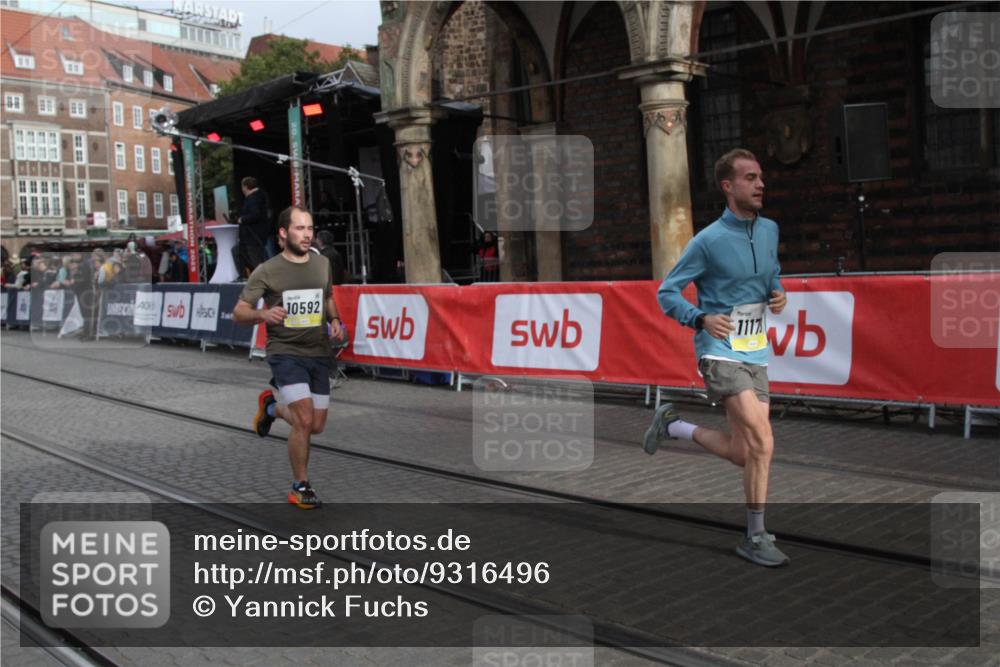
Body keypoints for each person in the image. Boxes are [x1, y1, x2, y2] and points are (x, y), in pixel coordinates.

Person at [644, 148, 789, 568]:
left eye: (761, 176)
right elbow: (667, 292)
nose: (760, 184)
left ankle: (674, 425)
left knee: (747, 453)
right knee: (764, 441)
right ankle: (756, 535)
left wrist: (778, 294)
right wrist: (700, 318)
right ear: (728, 186)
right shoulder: (707, 241)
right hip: (720, 352)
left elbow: (771, 274)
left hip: (756, 350)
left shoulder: (771, 230)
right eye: (750, 178)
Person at [232, 206, 344, 509]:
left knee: (316, 425)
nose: (307, 234)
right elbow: (239, 311)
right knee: (305, 420)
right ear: (283, 233)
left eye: (310, 228)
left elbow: (328, 296)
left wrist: (335, 321)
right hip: (285, 353)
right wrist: (263, 313)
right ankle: (300, 485)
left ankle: (271, 408)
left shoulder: (321, 264)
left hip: (318, 352)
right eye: (300, 228)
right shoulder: (267, 270)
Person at [236, 176, 270, 276]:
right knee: (251, 257)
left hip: (253, 235)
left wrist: (242, 219)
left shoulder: (254, 199)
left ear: (245, 187)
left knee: (256, 259)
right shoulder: (259, 196)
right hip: (255, 235)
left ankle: (261, 280)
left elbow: (255, 215)